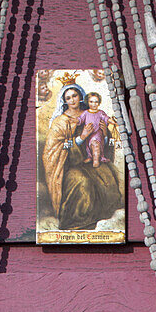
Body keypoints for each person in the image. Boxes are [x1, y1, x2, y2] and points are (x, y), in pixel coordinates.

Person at [41, 82, 122, 231]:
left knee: (108, 179)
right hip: (71, 166)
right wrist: (81, 137)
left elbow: (106, 142)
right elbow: (56, 148)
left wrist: (104, 134)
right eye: (68, 98)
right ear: (65, 101)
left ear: (80, 97)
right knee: (81, 183)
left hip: (93, 161)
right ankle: (77, 224)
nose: (72, 100)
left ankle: (103, 221)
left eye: (75, 96)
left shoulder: (91, 113)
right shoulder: (61, 121)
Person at [75, 92, 120, 167]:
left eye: (96, 102)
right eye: (91, 102)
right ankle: (90, 156)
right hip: (88, 133)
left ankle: (96, 161)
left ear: (99, 103)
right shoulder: (86, 113)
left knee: (95, 144)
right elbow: (80, 119)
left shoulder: (100, 113)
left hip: (97, 134)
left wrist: (114, 122)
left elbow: (107, 118)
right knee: (89, 147)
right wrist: (75, 121)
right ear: (87, 102)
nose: (94, 104)